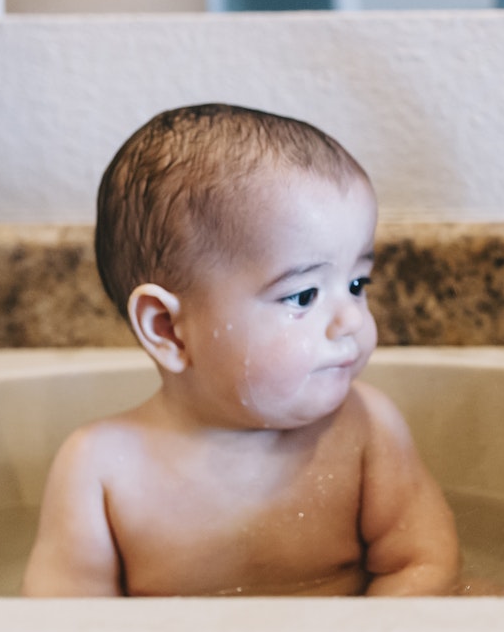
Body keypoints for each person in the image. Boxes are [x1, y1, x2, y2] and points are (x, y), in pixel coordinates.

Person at [23, 103, 459, 596]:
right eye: (304, 296)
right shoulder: (101, 467)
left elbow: (423, 564)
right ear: (168, 329)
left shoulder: (366, 429)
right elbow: (63, 617)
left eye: (357, 283)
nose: (353, 319)